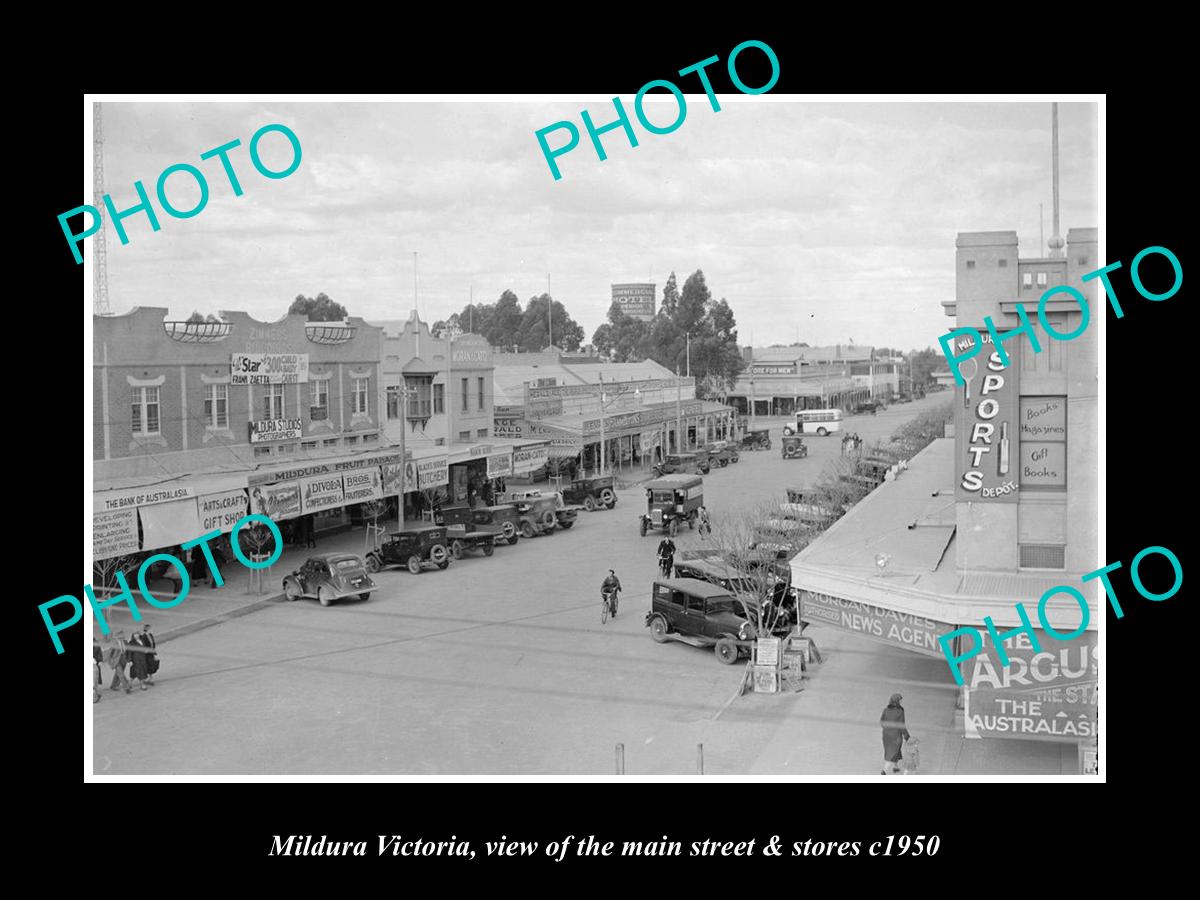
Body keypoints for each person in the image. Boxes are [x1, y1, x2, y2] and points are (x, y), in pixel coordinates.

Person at [880, 693, 911, 775]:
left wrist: (887, 729)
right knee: (892, 753)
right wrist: (907, 736)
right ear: (897, 701)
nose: (901, 701)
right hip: (896, 736)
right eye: (900, 700)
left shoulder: (886, 710)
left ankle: (895, 767)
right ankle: (884, 771)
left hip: (886, 735)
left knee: (893, 751)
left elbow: (881, 722)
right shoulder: (900, 711)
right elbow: (901, 725)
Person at [92, 637, 103, 703]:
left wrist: (100, 660)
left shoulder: (95, 642)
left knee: (95, 680)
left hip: (95, 663)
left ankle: (95, 694)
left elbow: (99, 651)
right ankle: (94, 697)